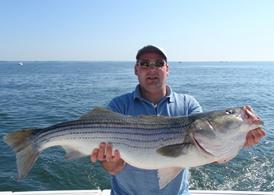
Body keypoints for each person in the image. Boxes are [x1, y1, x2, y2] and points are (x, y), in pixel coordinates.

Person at [90, 45, 265, 195]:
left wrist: (237, 142)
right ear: (136, 69)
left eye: (159, 64)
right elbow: (113, 169)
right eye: (144, 64)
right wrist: (109, 162)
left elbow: (214, 156)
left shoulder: (189, 105)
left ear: (167, 69)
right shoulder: (119, 106)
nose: (152, 69)